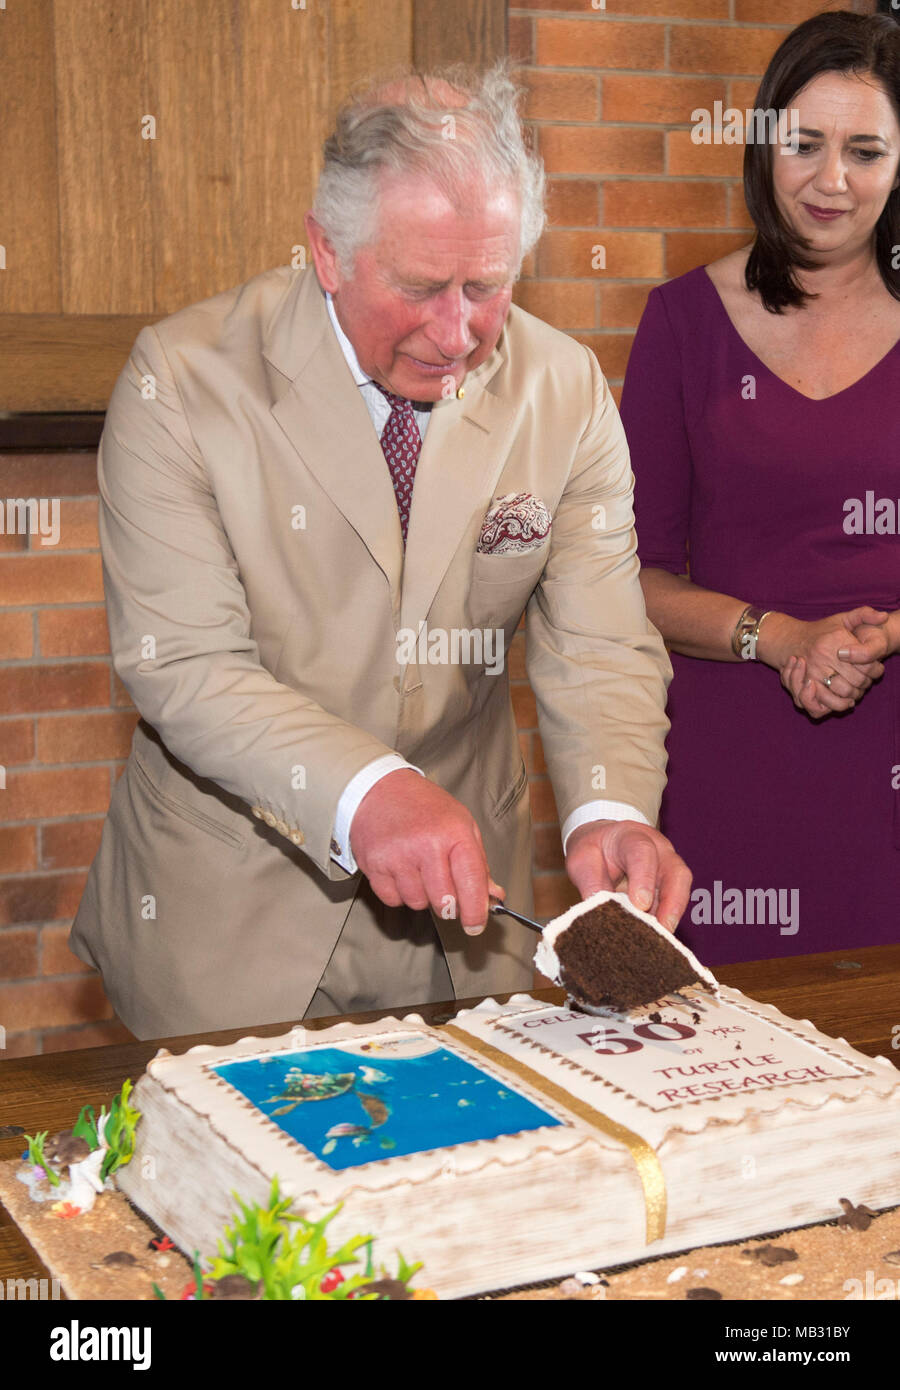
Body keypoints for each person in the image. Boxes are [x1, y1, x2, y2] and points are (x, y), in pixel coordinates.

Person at [70, 64, 690, 1038]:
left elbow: (599, 644)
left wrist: (606, 809)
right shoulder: (183, 381)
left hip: (463, 927)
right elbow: (184, 664)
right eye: (419, 288)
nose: (458, 334)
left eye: (487, 286)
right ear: (326, 251)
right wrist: (368, 791)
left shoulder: (564, 390)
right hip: (228, 919)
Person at [620, 11, 900, 966]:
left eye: (865, 150)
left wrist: (884, 634)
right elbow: (631, 579)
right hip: (734, 757)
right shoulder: (681, 323)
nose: (832, 180)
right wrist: (780, 640)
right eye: (804, 144)